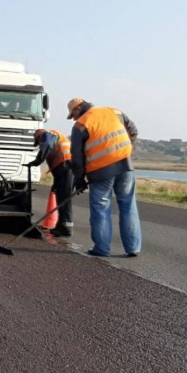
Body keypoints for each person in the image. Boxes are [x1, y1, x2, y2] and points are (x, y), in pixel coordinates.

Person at [68, 97, 141, 258]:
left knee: (101, 209)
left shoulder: (80, 125)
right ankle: (133, 247)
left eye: (72, 115)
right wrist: (124, 151)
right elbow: (133, 132)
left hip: (100, 172)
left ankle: (102, 248)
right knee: (128, 206)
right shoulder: (114, 111)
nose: (73, 118)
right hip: (125, 165)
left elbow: (77, 157)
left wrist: (79, 179)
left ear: (77, 109)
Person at [26, 128, 74, 237]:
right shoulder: (54, 136)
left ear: (39, 137)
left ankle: (66, 228)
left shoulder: (48, 134)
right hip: (63, 167)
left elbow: (46, 144)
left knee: (64, 197)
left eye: (38, 142)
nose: (39, 144)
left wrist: (37, 161)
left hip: (66, 165)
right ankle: (61, 226)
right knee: (60, 196)